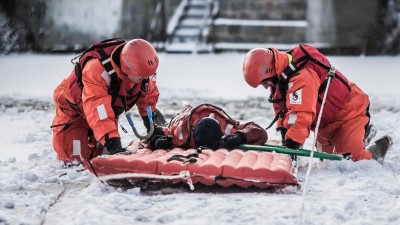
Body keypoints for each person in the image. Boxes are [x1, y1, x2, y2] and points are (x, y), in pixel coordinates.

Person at [242, 44, 392, 161]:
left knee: (352, 159)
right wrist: (284, 134)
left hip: (350, 112)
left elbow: (301, 113)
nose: (266, 86)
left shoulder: (302, 77)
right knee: (330, 159)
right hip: (325, 123)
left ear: (269, 70)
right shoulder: (279, 79)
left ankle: (378, 147)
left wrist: (292, 144)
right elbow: (282, 110)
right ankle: (362, 136)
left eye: (265, 83)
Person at [51, 38, 160, 163]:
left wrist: (151, 125)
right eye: (142, 76)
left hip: (107, 111)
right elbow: (97, 106)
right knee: (76, 158)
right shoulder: (97, 69)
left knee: (100, 157)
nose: (146, 78)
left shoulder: (141, 73)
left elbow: (147, 94)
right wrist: (112, 142)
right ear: (127, 69)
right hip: (74, 112)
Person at [146, 104, 268, 150]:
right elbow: (155, 132)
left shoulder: (228, 129)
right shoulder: (182, 132)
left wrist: (240, 137)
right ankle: (164, 121)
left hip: (211, 113)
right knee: (169, 125)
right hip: (186, 115)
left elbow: (259, 132)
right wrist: (157, 141)